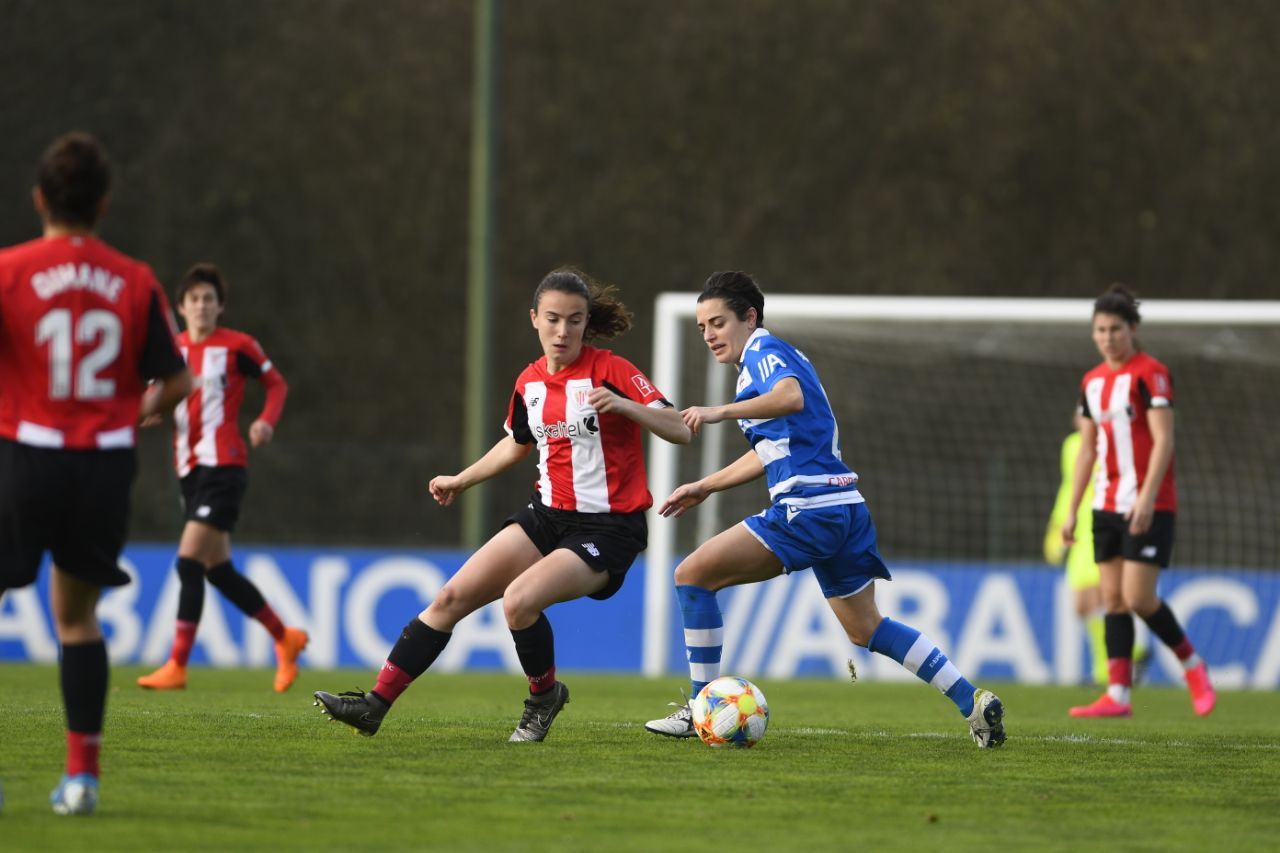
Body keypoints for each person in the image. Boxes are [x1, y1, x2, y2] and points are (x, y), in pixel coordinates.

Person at [314, 268, 691, 741]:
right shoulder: (529, 382)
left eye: (575, 320)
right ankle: (374, 705)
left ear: (585, 322)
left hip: (609, 528)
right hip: (547, 516)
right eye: (553, 319)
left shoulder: (612, 370)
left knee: (519, 601)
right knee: (450, 598)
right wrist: (461, 479)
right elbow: (516, 443)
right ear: (534, 318)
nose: (563, 331)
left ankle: (543, 698)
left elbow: (679, 428)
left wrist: (626, 407)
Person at [644, 271, 1007, 748]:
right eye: (702, 327)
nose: (710, 334)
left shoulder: (764, 353)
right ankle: (972, 701)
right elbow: (771, 447)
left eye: (718, 322)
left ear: (749, 317)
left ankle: (698, 709)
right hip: (845, 509)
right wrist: (706, 485)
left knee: (692, 576)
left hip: (807, 509)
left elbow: (789, 398)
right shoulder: (766, 363)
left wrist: (717, 412)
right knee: (865, 627)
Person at [0, 132, 191, 815]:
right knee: (76, 619)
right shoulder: (134, 279)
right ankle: (81, 779)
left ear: (39, 198)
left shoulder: (10, 270)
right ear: (103, 204)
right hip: (102, 468)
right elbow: (178, 379)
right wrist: (130, 410)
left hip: (27, 456)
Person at [136, 262, 306, 693]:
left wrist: (266, 421)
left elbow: (277, 384)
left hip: (225, 465)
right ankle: (285, 638)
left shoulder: (237, 346)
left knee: (188, 561)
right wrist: (148, 409)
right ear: (181, 307)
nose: (202, 306)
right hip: (188, 470)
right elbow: (155, 396)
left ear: (220, 306)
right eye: (194, 299)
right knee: (218, 571)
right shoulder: (170, 352)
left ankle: (176, 664)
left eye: (209, 299)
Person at [1064, 285, 1215, 718]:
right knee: (1111, 600)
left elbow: (1164, 437)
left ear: (1132, 329)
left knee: (1139, 598)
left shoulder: (1152, 373)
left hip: (1149, 503)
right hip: (1106, 503)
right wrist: (1073, 509)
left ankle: (1192, 665)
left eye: (1115, 329)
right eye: (1100, 330)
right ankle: (1118, 695)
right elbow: (1088, 449)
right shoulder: (1091, 382)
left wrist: (1147, 497)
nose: (1108, 337)